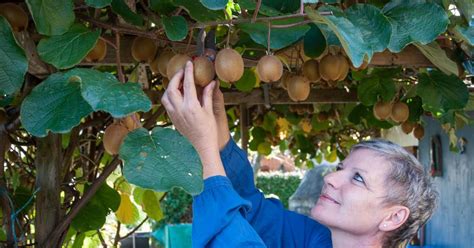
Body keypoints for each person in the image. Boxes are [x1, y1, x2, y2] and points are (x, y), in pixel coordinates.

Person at [161, 61, 438, 248]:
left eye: (357, 179)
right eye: (341, 167)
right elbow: (253, 212)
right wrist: (219, 137)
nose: (331, 178)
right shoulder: (315, 238)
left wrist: (203, 150)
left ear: (392, 217)